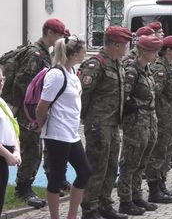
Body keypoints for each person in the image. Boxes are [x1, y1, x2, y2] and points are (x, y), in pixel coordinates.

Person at [7, 18, 68, 208]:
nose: (61, 39)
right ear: (50, 33)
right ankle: (23, 188)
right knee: (32, 150)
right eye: (59, 35)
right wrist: (16, 109)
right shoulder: (35, 54)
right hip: (27, 110)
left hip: (32, 108)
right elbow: (21, 82)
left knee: (36, 148)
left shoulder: (43, 53)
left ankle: (28, 185)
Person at [35, 36, 91, 219]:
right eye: (83, 50)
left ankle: (72, 216)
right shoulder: (56, 75)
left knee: (84, 171)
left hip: (71, 133)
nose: (85, 53)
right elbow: (42, 106)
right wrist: (41, 126)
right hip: (57, 133)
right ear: (74, 54)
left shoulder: (72, 73)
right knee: (57, 177)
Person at [79, 26, 132, 219]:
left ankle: (105, 204)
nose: (127, 48)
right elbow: (84, 95)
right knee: (96, 167)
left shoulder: (117, 63)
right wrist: (87, 120)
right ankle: (90, 208)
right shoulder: (96, 64)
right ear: (116, 45)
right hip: (98, 124)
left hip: (112, 124)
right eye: (125, 44)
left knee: (111, 167)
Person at [117, 35, 163, 216]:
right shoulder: (132, 71)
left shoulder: (147, 70)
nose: (156, 54)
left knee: (142, 162)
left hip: (149, 121)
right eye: (153, 51)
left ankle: (137, 196)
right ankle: (125, 200)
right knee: (130, 163)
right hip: (135, 124)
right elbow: (124, 98)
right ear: (143, 51)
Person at [145, 36, 172, 203]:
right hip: (161, 120)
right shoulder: (160, 69)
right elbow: (154, 94)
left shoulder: (171, 68)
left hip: (170, 120)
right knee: (158, 154)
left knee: (167, 154)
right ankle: (154, 189)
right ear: (168, 51)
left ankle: (161, 185)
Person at [0, 66, 22, 215]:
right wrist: (8, 155)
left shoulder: (2, 102)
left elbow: (13, 128)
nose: (1, 83)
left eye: (1, 79)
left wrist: (17, 151)